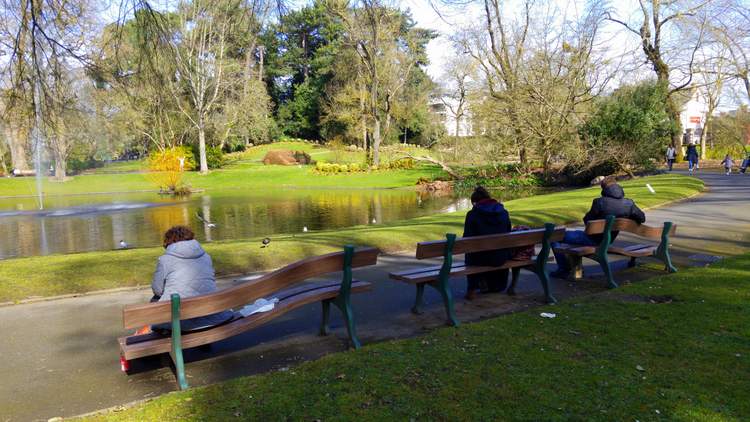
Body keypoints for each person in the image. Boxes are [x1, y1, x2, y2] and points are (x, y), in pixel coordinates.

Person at [551, 177, 646, 279]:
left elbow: (587, 221)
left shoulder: (599, 202)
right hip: (607, 240)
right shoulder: (629, 203)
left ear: (603, 188)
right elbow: (642, 218)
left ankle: (564, 268)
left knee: (554, 236)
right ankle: (571, 267)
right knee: (571, 236)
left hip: (593, 239)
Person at [146, 225, 233, 333]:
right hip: (211, 315)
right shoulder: (206, 256)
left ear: (168, 241)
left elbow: (157, 290)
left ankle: (166, 341)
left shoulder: (165, 260)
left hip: (181, 319)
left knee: (155, 300)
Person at [462, 186, 512, 300]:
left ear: (475, 202)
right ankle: (495, 285)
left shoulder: (472, 214)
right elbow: (508, 232)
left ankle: (472, 289)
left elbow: (467, 239)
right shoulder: (503, 212)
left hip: (480, 259)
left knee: (471, 253)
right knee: (497, 250)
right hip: (501, 258)